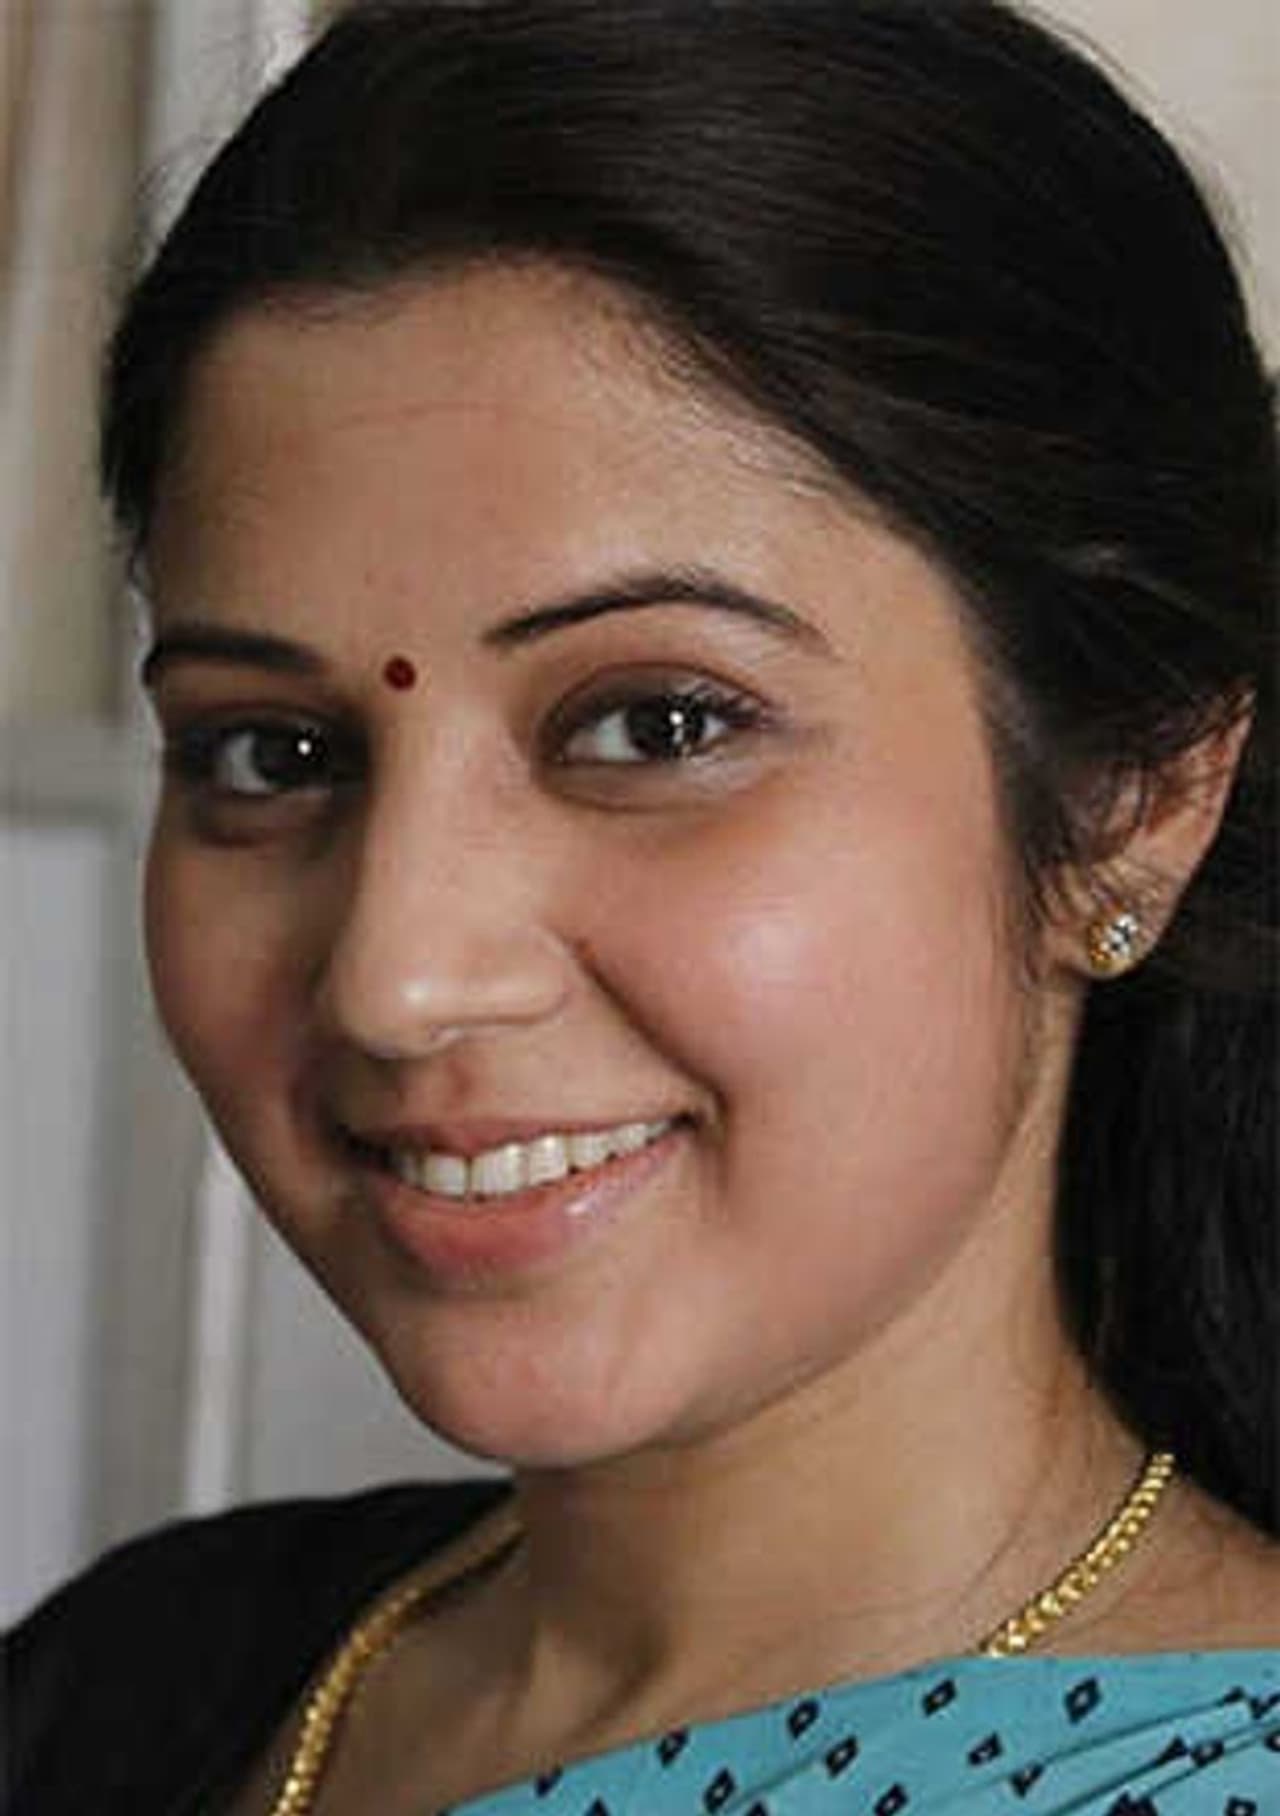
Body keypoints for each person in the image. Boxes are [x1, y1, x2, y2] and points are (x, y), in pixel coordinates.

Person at [6, 2, 1278, 1811]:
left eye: (655, 726)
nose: (396, 976)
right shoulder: (130, 1681)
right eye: (272, 753)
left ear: (1134, 800)